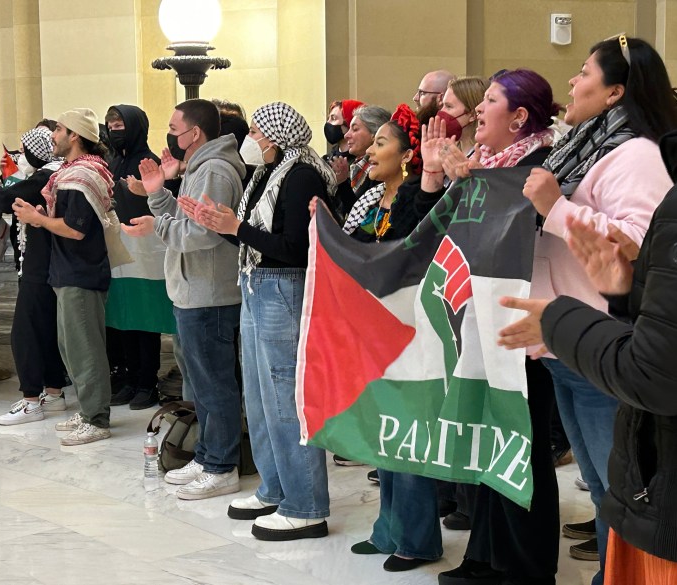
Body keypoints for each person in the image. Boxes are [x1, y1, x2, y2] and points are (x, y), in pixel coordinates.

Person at [517, 36, 677, 585]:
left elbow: (641, 238)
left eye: (583, 72)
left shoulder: (636, 153)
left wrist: (555, 208)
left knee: (623, 495)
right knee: (601, 485)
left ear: (614, 91)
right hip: (571, 340)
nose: (571, 81)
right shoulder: (588, 145)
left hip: (605, 344)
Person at [178, 101, 335, 540]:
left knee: (286, 399)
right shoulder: (268, 173)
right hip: (257, 282)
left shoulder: (302, 175)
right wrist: (222, 226)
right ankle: (275, 488)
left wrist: (236, 228)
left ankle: (306, 504)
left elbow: (296, 247)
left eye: (261, 134)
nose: (254, 139)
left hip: (285, 286)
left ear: (279, 135)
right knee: (260, 397)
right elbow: (252, 238)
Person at [427, 69, 561, 585]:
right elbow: (436, 231)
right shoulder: (485, 164)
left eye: (490, 101)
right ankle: (485, 555)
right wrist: (439, 180)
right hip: (478, 322)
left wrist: (472, 181)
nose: (478, 110)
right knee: (487, 438)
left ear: (520, 117)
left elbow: (521, 223)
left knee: (519, 445)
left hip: (525, 326)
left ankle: (526, 568)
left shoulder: (538, 164)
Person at [330, 104, 446, 570]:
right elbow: (353, 246)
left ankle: (417, 539)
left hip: (413, 327)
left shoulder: (418, 194)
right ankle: (387, 529)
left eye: (380, 143)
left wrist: (433, 180)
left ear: (406, 154)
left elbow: (422, 239)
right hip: (377, 327)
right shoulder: (372, 197)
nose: (370, 151)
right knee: (386, 428)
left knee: (409, 429)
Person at [122, 99, 245, 500]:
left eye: (175, 129)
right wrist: (158, 195)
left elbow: (203, 234)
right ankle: (209, 454)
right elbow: (187, 220)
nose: (170, 136)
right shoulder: (200, 167)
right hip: (193, 292)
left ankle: (222, 465)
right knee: (201, 385)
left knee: (215, 385)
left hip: (210, 294)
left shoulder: (215, 169)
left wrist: (157, 224)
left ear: (196, 133)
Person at [12, 108, 114, 446]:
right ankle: (87, 412)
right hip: (67, 271)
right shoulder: (70, 174)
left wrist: (36, 219)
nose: (52, 135)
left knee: (85, 350)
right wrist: (41, 215)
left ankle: (97, 419)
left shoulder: (83, 176)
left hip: (81, 273)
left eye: (58, 128)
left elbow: (76, 230)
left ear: (74, 135)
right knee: (70, 346)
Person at [0, 126, 66, 425]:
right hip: (50, 261)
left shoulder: (46, 176)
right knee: (45, 329)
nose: (19, 155)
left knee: (26, 331)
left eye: (23, 149)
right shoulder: (58, 171)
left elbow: (7, 200)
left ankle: (31, 400)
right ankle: (54, 392)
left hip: (41, 263)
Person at [104, 105, 175, 410]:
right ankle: (131, 380)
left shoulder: (149, 162)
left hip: (146, 251)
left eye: (120, 125)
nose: (113, 130)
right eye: (110, 125)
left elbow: (165, 201)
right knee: (123, 319)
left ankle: (147, 382)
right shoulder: (112, 161)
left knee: (145, 320)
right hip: (118, 251)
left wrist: (140, 191)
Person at [332, 104, 391, 219]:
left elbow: (361, 217)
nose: (346, 135)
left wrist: (343, 183)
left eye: (355, 129)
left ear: (375, 134)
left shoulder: (381, 172)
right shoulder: (355, 165)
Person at [437, 77, 488, 154]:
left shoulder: (485, 158)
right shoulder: (446, 152)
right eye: (442, 106)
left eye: (449, 106)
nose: (441, 111)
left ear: (472, 115)